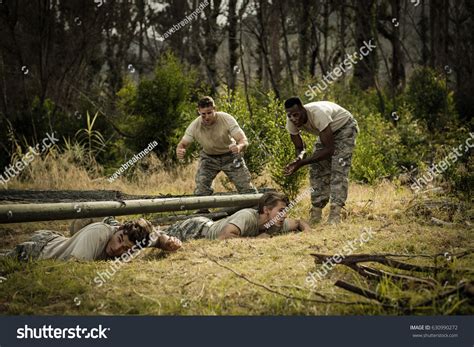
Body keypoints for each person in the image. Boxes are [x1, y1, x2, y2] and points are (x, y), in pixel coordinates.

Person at [283, 97, 359, 224]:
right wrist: (298, 159)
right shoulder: (291, 122)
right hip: (326, 132)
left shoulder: (318, 114)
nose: (293, 119)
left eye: (296, 115)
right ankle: (316, 214)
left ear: (303, 109)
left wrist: (303, 163)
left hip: (345, 127)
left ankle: (335, 215)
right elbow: (299, 147)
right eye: (290, 116)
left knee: (338, 168)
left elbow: (329, 150)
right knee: (316, 169)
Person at [176, 96, 257, 212]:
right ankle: (202, 216)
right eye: (203, 114)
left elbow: (243, 140)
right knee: (201, 189)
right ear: (198, 111)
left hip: (230, 156)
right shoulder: (194, 125)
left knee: (246, 188)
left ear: (215, 109)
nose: (207, 117)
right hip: (209, 158)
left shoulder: (226, 119)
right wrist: (180, 151)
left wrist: (238, 147)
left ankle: (255, 211)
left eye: (209, 113)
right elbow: (182, 144)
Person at [6, 217, 182, 261]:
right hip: (39, 249)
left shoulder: (134, 242)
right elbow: (75, 268)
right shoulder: (99, 233)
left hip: (57, 240)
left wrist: (167, 242)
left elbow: (156, 238)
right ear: (119, 229)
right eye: (119, 240)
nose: (117, 249)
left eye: (126, 249)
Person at [163, 191, 311, 241]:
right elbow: (224, 237)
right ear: (266, 210)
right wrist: (256, 241)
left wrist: (309, 235)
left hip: (205, 227)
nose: (284, 215)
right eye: (281, 211)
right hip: (197, 228)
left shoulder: (275, 223)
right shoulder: (247, 216)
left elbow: (299, 222)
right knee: (154, 238)